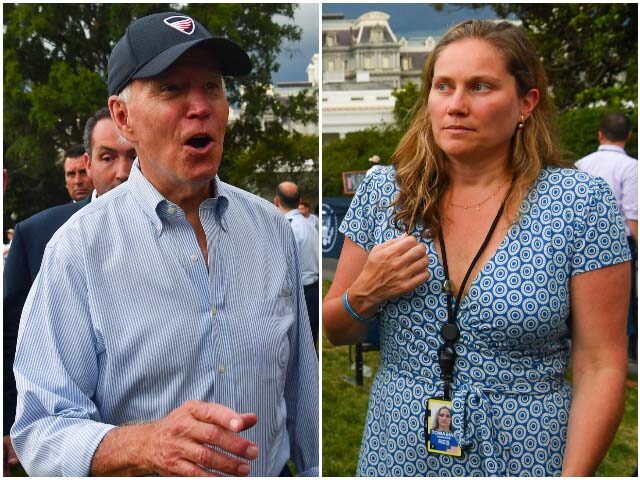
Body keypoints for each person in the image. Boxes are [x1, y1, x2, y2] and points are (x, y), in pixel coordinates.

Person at [11, 12, 318, 477]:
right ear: (123, 117)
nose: (201, 107)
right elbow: (39, 428)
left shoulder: (270, 230)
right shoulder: (77, 249)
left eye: (212, 86)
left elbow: (302, 391)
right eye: (172, 89)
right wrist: (142, 444)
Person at [323, 19, 630, 477]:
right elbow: (337, 329)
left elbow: (600, 364)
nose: (456, 105)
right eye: (443, 86)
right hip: (397, 452)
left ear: (526, 102)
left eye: (480, 87)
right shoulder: (386, 194)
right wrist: (365, 292)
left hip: (527, 453)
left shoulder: (578, 203)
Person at [3, 107, 136, 475]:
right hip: (59, 443)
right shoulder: (39, 234)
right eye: (108, 157)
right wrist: (9, 421)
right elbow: (10, 335)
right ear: (88, 164)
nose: (122, 172)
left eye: (133, 156)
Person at [576, 112, 638, 360]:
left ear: (599, 134)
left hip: (577, 242)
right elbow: (633, 217)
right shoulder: (632, 168)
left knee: (580, 306)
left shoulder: (581, 164)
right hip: (618, 246)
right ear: (629, 136)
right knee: (619, 310)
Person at [275, 182, 320, 349]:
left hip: (298, 295)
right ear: (299, 200)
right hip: (311, 291)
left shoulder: (287, 226)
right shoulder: (309, 223)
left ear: (276, 201)